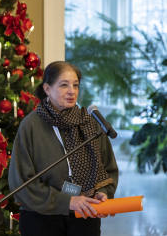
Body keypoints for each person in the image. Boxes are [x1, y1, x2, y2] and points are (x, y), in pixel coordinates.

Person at [8, 61, 118, 236]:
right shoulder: (31, 125)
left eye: (75, 85)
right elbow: (21, 181)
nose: (71, 91)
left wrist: (102, 193)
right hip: (41, 218)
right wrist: (66, 201)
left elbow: (108, 169)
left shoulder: (91, 123)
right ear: (47, 89)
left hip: (85, 214)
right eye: (64, 85)